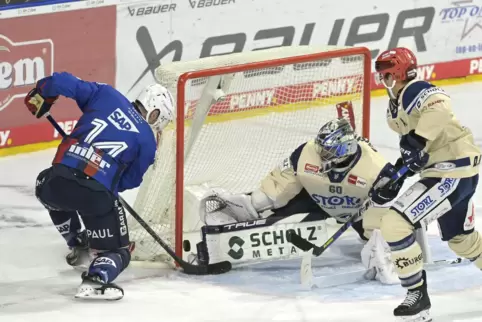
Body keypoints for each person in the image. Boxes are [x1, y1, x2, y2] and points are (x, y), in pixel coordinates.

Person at [24, 72, 174, 300]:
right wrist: (106, 178)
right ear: (154, 113)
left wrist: (42, 93)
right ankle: (96, 278)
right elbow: (130, 181)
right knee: (119, 251)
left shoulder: (107, 94)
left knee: (47, 189)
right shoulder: (147, 142)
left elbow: (61, 81)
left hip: (57, 181)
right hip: (96, 195)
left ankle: (77, 243)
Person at [200, 117, 400, 284]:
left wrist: (379, 239)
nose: (322, 156)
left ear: (345, 149)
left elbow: (381, 209)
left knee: (376, 237)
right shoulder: (306, 152)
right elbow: (281, 183)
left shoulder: (376, 169)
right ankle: (239, 219)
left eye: (329, 152)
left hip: (356, 209)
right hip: (317, 200)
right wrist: (256, 203)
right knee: (268, 206)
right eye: (322, 150)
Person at [372, 47, 482, 321]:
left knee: (395, 223)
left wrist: (418, 141)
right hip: (454, 170)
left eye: (385, 74)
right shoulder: (396, 103)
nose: (382, 79)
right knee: (461, 240)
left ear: (395, 73)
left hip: (451, 171)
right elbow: (418, 147)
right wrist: (400, 170)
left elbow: (440, 106)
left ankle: (417, 298)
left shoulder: (413, 89)